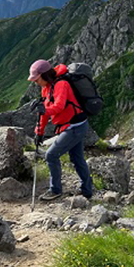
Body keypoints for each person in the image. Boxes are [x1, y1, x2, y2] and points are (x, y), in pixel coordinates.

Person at [28, 59, 93, 201]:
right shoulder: (46, 88)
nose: (35, 82)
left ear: (45, 75)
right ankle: (87, 191)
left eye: (37, 79)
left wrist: (44, 109)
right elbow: (44, 113)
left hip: (75, 126)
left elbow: (59, 106)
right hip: (73, 125)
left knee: (51, 155)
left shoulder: (61, 84)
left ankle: (55, 190)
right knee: (77, 158)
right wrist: (39, 132)